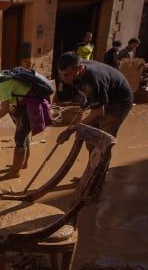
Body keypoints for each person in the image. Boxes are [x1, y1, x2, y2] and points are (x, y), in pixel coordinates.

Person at [56, 52, 133, 188]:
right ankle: (91, 173)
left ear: (78, 69)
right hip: (105, 95)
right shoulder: (80, 71)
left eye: (67, 75)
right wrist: (86, 100)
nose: (63, 78)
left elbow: (98, 112)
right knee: (89, 138)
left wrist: (71, 129)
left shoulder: (92, 79)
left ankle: (97, 181)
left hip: (118, 103)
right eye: (61, 74)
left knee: (102, 143)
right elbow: (87, 93)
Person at [0, 68, 52, 179]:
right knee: (23, 135)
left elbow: (5, 109)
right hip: (27, 104)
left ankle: (15, 172)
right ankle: (23, 164)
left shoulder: (1, 84)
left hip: (31, 105)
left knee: (19, 138)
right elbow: (11, 104)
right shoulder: (0, 75)